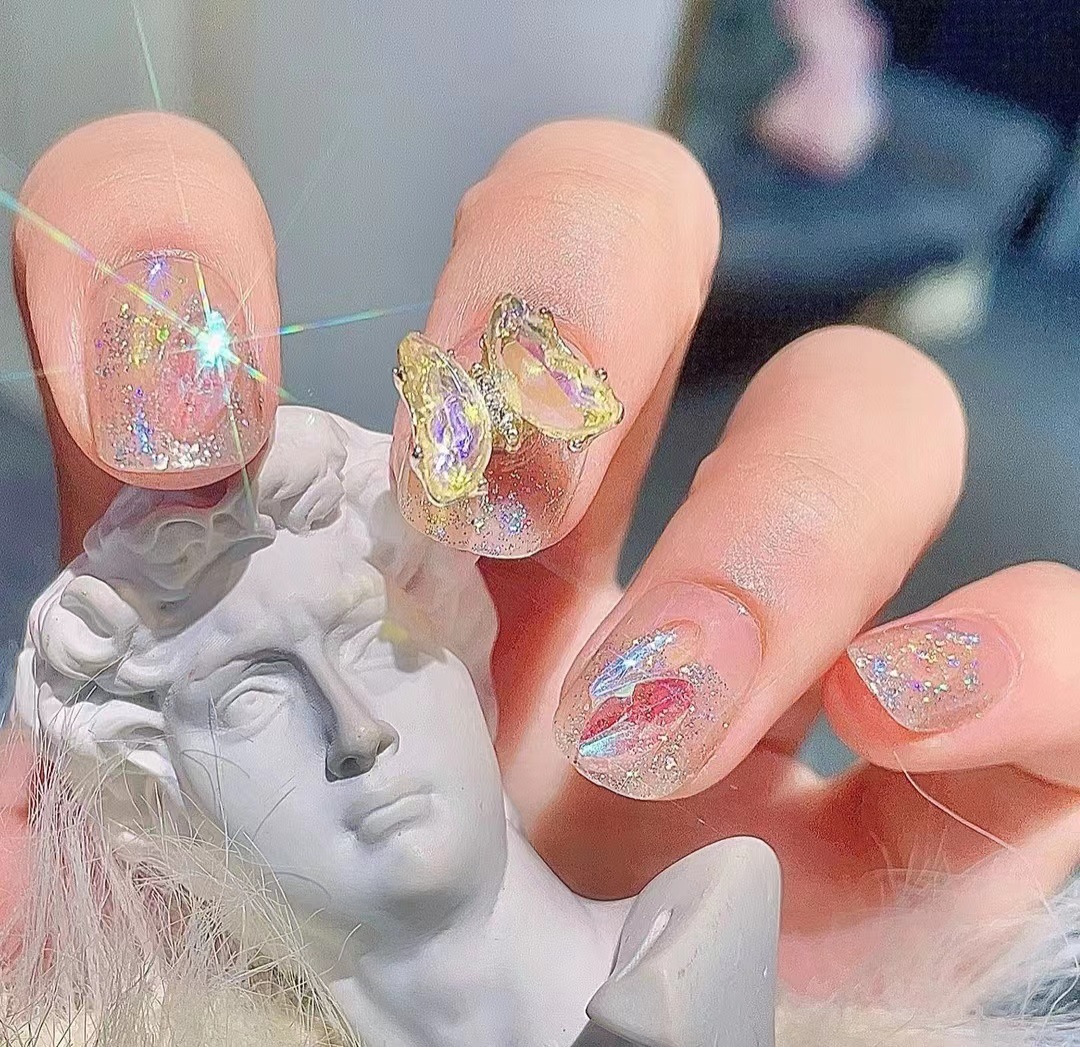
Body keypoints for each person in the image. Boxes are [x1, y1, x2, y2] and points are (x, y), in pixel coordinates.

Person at [3, 112, 1080, 1031]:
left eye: (370, 644)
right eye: (248, 702)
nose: (357, 732)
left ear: (465, 664)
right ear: (161, 808)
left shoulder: (718, 939)